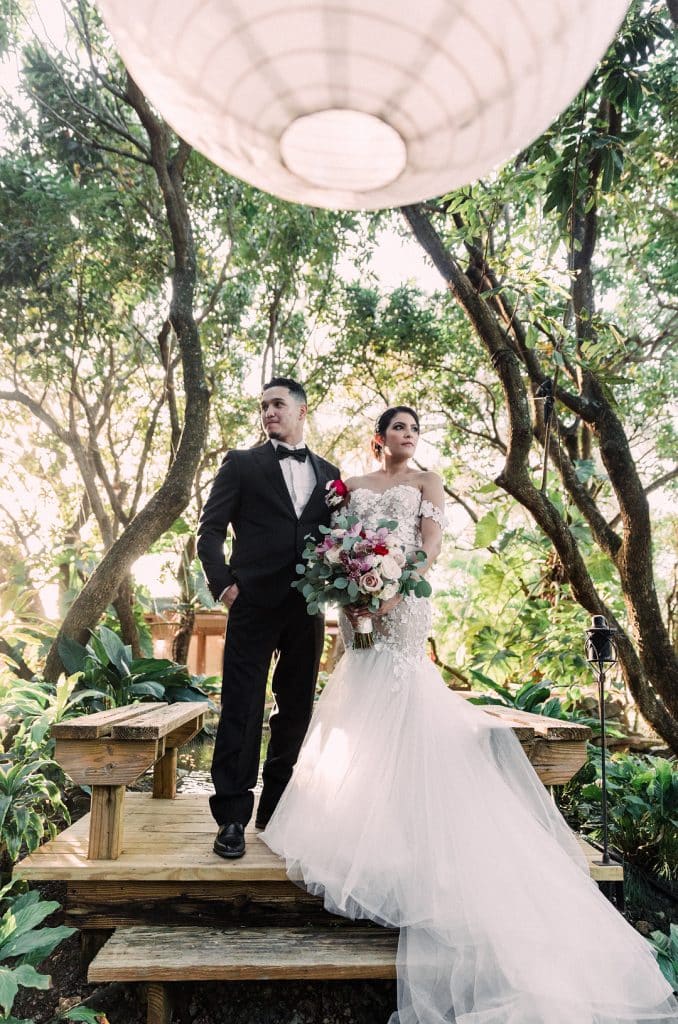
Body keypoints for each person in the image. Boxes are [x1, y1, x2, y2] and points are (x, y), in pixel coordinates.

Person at [262, 406, 677, 1024]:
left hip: (404, 602)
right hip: (356, 607)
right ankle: (363, 827)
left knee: (403, 696)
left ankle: (412, 837)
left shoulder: (427, 482)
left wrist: (393, 587)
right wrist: (350, 593)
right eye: (398, 428)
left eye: (414, 429)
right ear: (378, 438)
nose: (408, 436)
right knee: (360, 697)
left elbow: (430, 545)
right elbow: (337, 544)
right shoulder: (352, 484)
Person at [197, 378, 339, 859]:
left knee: (296, 710)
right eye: (263, 406)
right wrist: (224, 585)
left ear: (302, 410)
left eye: (278, 404)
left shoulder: (331, 475)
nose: (269, 412)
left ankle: (277, 811)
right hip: (252, 603)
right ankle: (232, 818)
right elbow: (209, 532)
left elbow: (338, 539)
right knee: (241, 707)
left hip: (307, 607)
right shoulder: (241, 464)